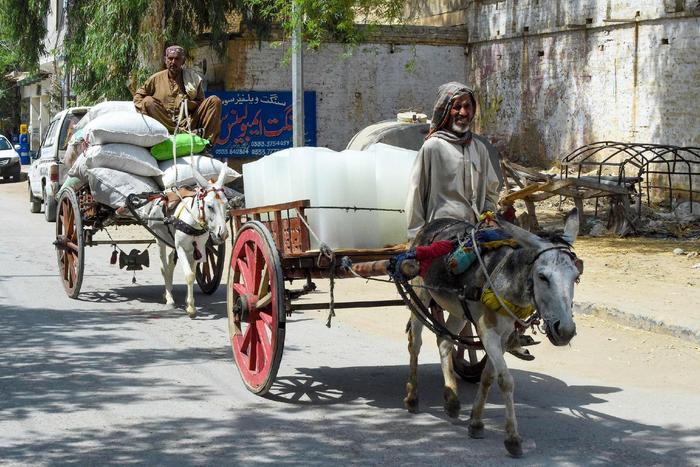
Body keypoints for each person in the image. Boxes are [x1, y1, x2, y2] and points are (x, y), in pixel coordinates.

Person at [405, 81, 535, 360]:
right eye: (457, 106)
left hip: (475, 228)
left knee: (515, 259)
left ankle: (512, 328)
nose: (463, 112)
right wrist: (415, 241)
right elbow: (416, 193)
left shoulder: (478, 148)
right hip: (440, 231)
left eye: (468, 106)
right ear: (445, 111)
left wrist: (490, 213)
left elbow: (490, 188)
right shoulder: (433, 148)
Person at [133, 45, 221, 145]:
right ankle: (180, 132)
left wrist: (189, 104)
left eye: (177, 59)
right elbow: (138, 97)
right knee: (148, 101)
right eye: (170, 58)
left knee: (214, 101)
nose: (173, 62)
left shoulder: (193, 78)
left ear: (183, 61)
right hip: (164, 122)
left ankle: (207, 143)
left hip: (188, 122)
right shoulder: (155, 79)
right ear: (165, 60)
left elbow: (201, 103)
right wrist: (148, 113)